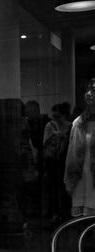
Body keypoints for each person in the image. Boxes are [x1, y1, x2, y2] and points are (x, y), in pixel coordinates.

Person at [65, 78, 95, 216]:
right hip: (81, 179)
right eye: (87, 90)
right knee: (84, 225)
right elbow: (71, 156)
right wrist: (69, 180)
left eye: (93, 90)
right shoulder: (78, 122)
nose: (89, 94)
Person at [43, 103, 72, 224]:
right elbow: (44, 143)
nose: (55, 119)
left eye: (58, 116)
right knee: (53, 186)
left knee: (63, 186)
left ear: (63, 115)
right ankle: (55, 211)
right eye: (54, 116)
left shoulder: (71, 126)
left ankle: (63, 212)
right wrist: (54, 135)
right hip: (53, 159)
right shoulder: (51, 125)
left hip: (64, 159)